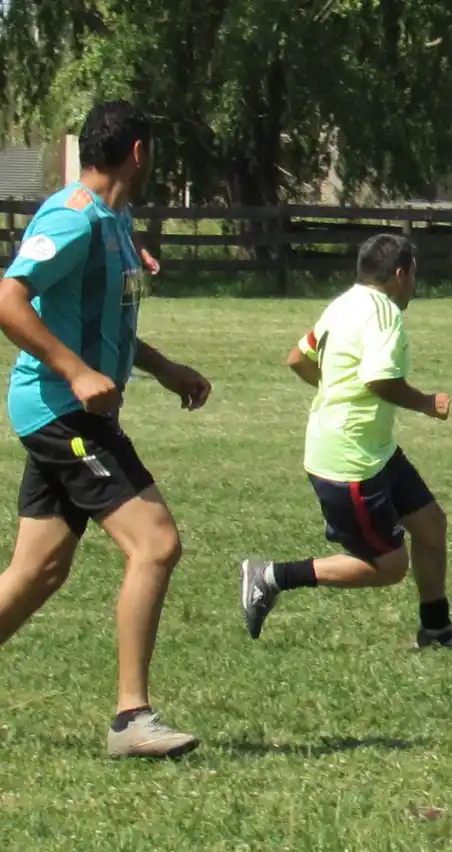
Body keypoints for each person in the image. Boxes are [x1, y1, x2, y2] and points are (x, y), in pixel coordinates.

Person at [0, 100, 211, 758]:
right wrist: (76, 371)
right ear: (139, 153)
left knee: (39, 571)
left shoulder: (116, 220)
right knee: (155, 544)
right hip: (63, 412)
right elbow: (8, 299)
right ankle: (131, 719)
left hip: (76, 410)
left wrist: (166, 367)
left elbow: (105, 318)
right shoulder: (72, 218)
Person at [239, 234, 452, 650]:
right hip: (349, 461)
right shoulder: (385, 313)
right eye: (414, 276)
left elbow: (297, 357)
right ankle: (271, 577)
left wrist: (332, 387)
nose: (415, 286)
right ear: (401, 274)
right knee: (389, 567)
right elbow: (378, 378)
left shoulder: (343, 303)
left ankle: (438, 630)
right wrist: (426, 403)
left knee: (430, 525)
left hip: (374, 450)